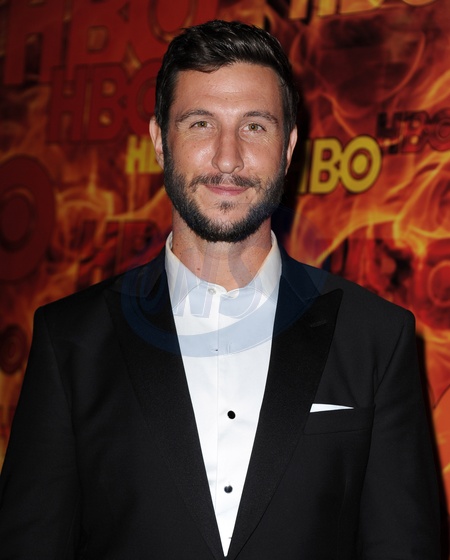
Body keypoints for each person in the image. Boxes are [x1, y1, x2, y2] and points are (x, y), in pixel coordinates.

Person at [0, 20, 440, 560]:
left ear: (289, 147)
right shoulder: (70, 341)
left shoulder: (375, 338)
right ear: (160, 142)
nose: (227, 158)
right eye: (201, 123)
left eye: (254, 126)